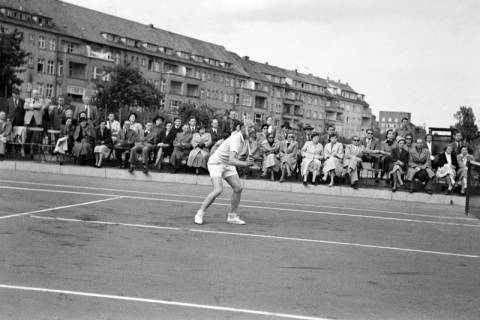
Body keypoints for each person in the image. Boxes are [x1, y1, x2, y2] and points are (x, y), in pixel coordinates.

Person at [194, 122, 254, 225]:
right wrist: (246, 164)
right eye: (250, 127)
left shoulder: (245, 140)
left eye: (253, 127)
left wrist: (247, 159)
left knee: (238, 188)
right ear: (243, 128)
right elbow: (232, 160)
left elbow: (234, 158)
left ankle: (232, 216)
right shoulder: (236, 139)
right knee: (218, 190)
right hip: (216, 163)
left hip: (227, 163)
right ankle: (200, 213)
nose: (252, 129)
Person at [7, 91, 26, 157]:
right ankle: (9, 149)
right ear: (13, 94)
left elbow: (24, 112)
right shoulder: (8, 100)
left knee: (18, 135)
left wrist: (23, 120)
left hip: (19, 121)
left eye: (18, 94)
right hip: (10, 121)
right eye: (16, 94)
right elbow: (6, 110)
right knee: (9, 134)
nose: (17, 95)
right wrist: (7, 119)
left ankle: (17, 148)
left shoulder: (22, 101)